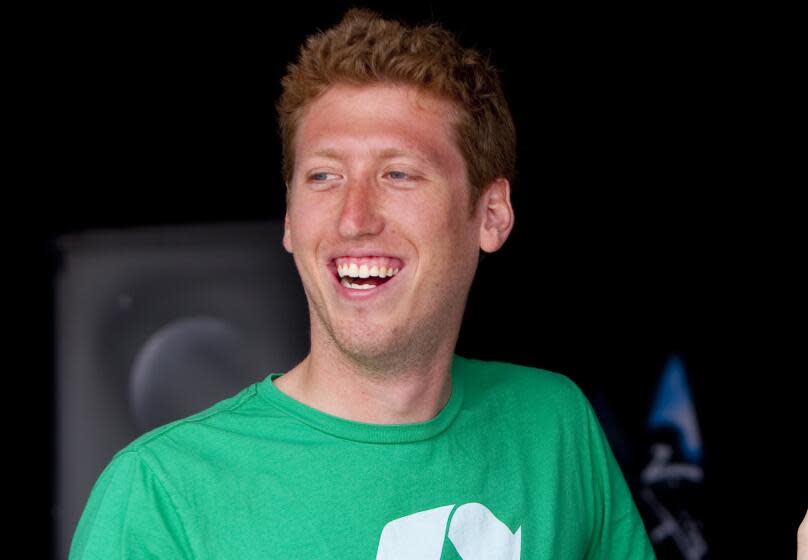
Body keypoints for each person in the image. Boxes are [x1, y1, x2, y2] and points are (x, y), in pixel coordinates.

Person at [69, 8, 655, 558]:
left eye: (398, 173)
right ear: (291, 222)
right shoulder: (160, 495)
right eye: (324, 176)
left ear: (491, 215)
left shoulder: (554, 426)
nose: (354, 218)